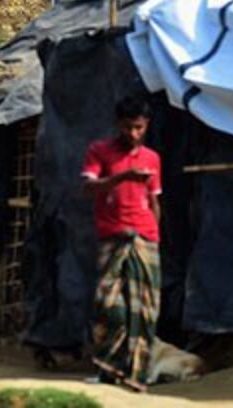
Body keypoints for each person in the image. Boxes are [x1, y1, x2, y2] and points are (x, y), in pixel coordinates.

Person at [81, 96, 162, 392]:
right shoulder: (99, 151)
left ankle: (136, 375)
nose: (134, 134)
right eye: (128, 127)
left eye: (139, 128)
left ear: (146, 126)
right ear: (118, 124)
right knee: (108, 304)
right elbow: (88, 187)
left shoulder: (152, 158)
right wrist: (123, 176)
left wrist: (155, 235)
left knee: (145, 309)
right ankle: (108, 369)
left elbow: (154, 200)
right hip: (112, 235)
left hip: (145, 237)